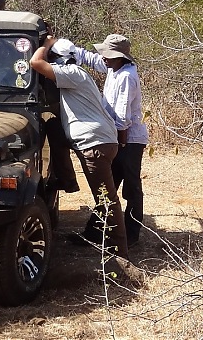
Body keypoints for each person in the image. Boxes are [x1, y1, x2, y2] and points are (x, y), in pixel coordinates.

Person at [30, 36, 130, 259]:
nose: (50, 61)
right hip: (95, 139)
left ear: (63, 60)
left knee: (106, 200)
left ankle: (120, 254)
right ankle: (66, 179)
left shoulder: (72, 74)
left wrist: (45, 45)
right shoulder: (73, 76)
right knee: (52, 125)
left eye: (54, 58)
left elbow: (36, 63)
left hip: (95, 144)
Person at [75, 34, 149, 245]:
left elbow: (123, 115)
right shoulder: (113, 68)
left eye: (107, 54)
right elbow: (91, 59)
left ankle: (130, 235)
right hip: (117, 137)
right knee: (109, 186)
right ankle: (96, 233)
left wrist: (120, 142)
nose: (103, 58)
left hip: (129, 139)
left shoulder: (127, 76)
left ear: (119, 57)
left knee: (130, 188)